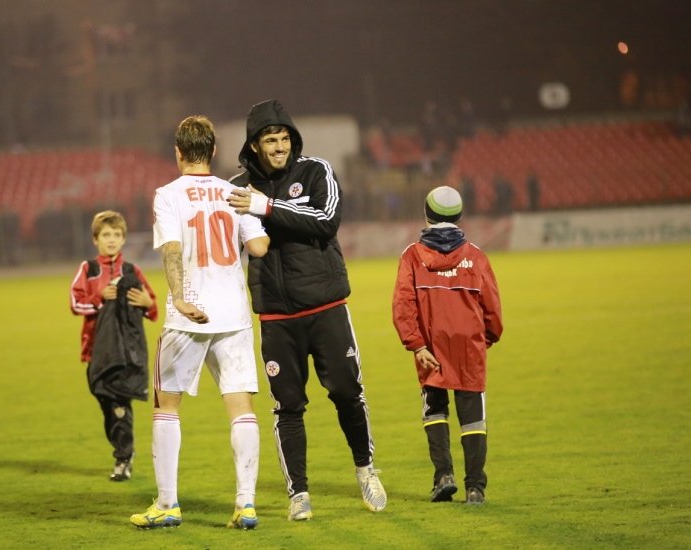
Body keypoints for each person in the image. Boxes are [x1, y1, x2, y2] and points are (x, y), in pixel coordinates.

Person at [227, 99, 387, 520]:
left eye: (284, 139)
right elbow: (230, 243)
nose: (279, 147)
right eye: (270, 140)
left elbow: (326, 220)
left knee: (347, 393)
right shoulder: (238, 187)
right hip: (276, 315)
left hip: (325, 306)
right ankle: (298, 493)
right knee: (288, 406)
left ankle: (366, 470)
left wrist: (266, 207)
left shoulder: (316, 171)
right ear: (255, 145)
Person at [130, 115, 269, 530]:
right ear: (213, 151)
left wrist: (178, 296)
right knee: (241, 407)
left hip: (189, 314)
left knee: (166, 405)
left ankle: (167, 504)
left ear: (178, 152)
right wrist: (259, 205)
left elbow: (171, 249)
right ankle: (246, 505)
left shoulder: (168, 195)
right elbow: (259, 247)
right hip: (233, 313)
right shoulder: (235, 193)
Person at [391, 186, 503, 505]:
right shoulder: (476, 256)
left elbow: (403, 305)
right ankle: (475, 488)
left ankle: (444, 477)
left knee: (435, 410)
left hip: (430, 347)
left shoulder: (412, 256)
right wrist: (485, 339)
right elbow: (493, 310)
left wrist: (416, 345)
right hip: (469, 347)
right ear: (459, 216)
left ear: (427, 214)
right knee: (473, 418)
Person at [70, 210, 158, 481]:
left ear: (123, 239)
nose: (111, 239)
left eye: (116, 235)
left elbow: (152, 307)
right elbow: (75, 303)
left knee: (120, 404)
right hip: (96, 351)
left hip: (127, 353)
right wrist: (99, 297)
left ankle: (123, 457)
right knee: (106, 402)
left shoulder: (132, 271)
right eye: (106, 235)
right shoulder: (88, 269)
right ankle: (122, 448)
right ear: (95, 239)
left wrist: (147, 303)